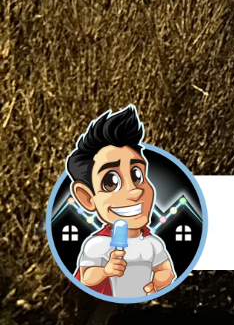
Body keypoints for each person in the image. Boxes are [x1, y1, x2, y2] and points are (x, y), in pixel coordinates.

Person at [65, 107, 175, 299]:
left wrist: (159, 282)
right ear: (86, 198)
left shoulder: (152, 243)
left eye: (137, 175)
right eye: (111, 182)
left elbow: (166, 269)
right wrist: (106, 270)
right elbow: (85, 277)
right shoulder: (97, 244)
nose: (134, 191)